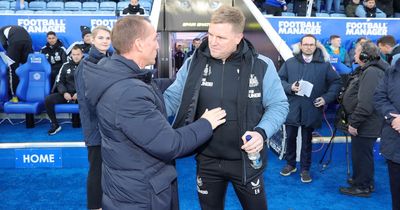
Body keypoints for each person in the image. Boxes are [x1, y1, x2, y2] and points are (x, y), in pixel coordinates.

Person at [82, 16, 227, 209]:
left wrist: (190, 72)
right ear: (139, 45)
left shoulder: (117, 73)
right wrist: (206, 123)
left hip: (130, 187)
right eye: (154, 39)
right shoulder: (129, 93)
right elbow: (170, 144)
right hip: (141, 196)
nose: (157, 45)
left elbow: (156, 86)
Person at [164, 5, 289, 209]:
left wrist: (261, 133)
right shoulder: (193, 63)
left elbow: (279, 105)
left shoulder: (261, 65)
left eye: (220, 37)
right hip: (207, 161)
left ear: (238, 37)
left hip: (246, 161)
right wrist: (144, 110)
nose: (212, 41)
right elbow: (171, 98)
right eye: (210, 34)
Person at [278, 34, 342, 183]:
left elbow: (336, 82)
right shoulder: (290, 62)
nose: (308, 47)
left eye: (311, 44)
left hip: (311, 109)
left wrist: (326, 98)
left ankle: (305, 169)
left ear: (316, 46)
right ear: (300, 46)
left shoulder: (324, 65)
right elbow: (279, 80)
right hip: (292, 107)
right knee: (290, 138)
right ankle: (290, 164)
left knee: (307, 141)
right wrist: (290, 87)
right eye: (305, 44)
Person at [339, 40, 389, 197]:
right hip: (365, 122)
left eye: (356, 52)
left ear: (364, 55)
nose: (354, 55)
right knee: (360, 154)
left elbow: (367, 103)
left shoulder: (372, 72)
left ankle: (363, 186)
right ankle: (361, 179)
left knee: (363, 155)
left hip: (366, 124)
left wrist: (354, 122)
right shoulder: (368, 70)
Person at [74, 25, 112, 210]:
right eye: (101, 38)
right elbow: (88, 100)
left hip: (109, 125)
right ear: (92, 40)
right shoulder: (86, 65)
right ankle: (94, 207)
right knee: (96, 169)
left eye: (107, 38)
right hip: (95, 126)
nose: (105, 41)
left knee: (108, 169)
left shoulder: (110, 60)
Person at [374, 59, 400, 210]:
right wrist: (393, 118)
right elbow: (379, 97)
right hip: (394, 145)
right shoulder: (392, 71)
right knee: (396, 194)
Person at [45, 46, 83, 135]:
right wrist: (64, 92)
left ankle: (92, 126)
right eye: (74, 54)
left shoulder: (87, 65)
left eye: (78, 54)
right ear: (71, 55)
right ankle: (55, 125)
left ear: (82, 55)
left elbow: (90, 82)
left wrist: (79, 93)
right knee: (48, 99)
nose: (76, 56)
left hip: (82, 94)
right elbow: (59, 81)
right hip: (67, 93)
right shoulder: (65, 65)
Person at [0, 25, 33, 103]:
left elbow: (4, 44)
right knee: (27, 68)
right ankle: (29, 94)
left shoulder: (1, 31)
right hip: (28, 41)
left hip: (15, 43)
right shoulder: (17, 28)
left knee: (12, 70)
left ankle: (14, 96)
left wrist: (9, 53)